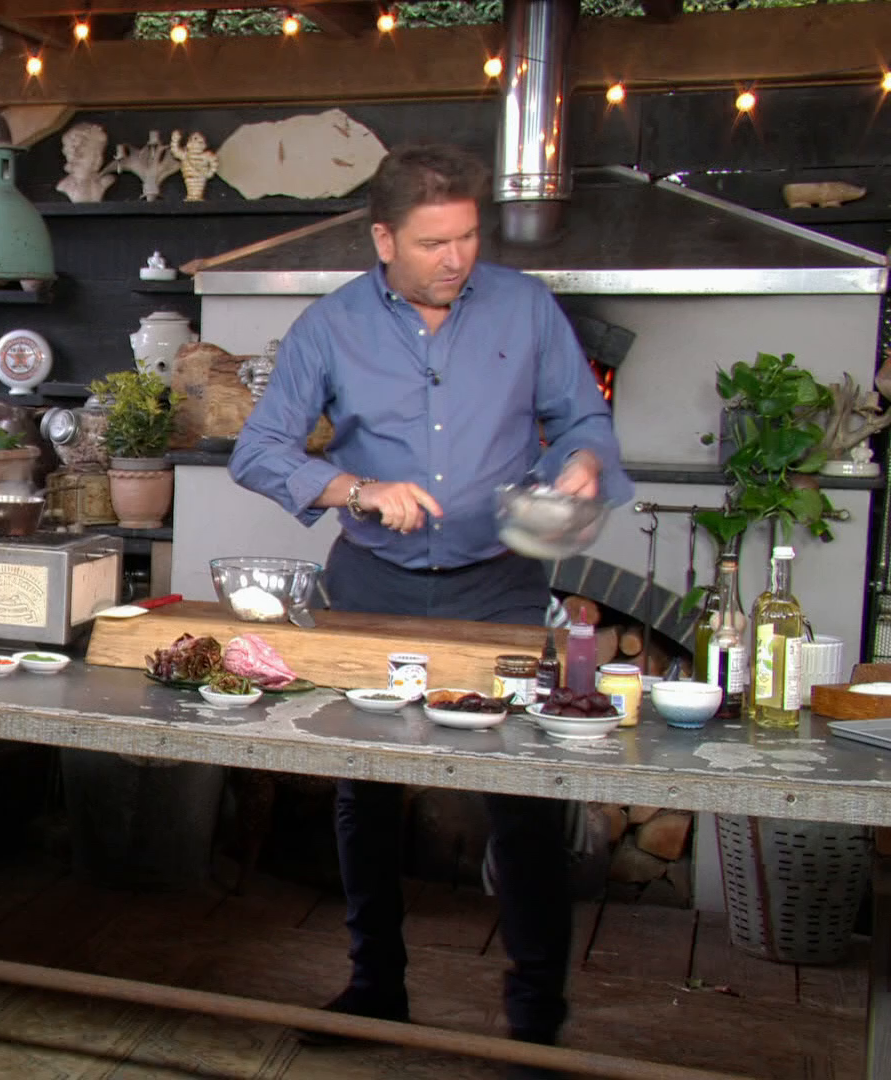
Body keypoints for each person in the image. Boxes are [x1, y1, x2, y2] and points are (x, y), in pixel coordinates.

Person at [229, 143, 631, 1078]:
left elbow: (584, 419)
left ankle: (536, 1016)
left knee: (524, 797)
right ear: (384, 239)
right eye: (433, 243)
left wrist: (582, 461)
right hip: (374, 583)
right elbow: (260, 449)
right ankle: (377, 987)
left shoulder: (526, 309)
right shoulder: (329, 326)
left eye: (468, 237)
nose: (457, 259)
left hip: (500, 584)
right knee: (364, 792)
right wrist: (356, 488)